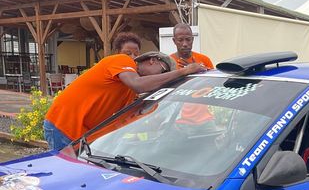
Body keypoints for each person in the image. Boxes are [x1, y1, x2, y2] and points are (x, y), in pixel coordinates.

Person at [43, 51, 205, 151]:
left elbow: (131, 119)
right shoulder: (123, 61)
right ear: (153, 60)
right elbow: (138, 84)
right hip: (63, 126)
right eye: (163, 73)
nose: (160, 79)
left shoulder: (129, 91)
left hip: (82, 135)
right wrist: (184, 71)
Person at [170, 23, 215, 127]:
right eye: (180, 40)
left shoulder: (204, 60)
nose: (185, 44)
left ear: (193, 39)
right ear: (174, 41)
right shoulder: (169, 62)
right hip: (178, 120)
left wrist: (198, 71)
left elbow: (213, 87)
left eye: (188, 39)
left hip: (206, 119)